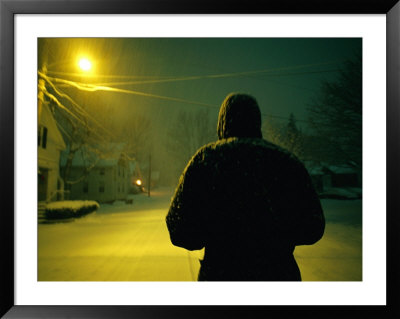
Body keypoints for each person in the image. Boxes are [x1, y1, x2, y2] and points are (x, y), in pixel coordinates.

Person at [166, 93, 325, 281]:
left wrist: (218, 233)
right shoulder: (285, 162)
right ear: (257, 122)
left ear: (222, 124)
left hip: (221, 276)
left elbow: (179, 229)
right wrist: (274, 238)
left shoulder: (205, 160)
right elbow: (313, 225)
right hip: (278, 275)